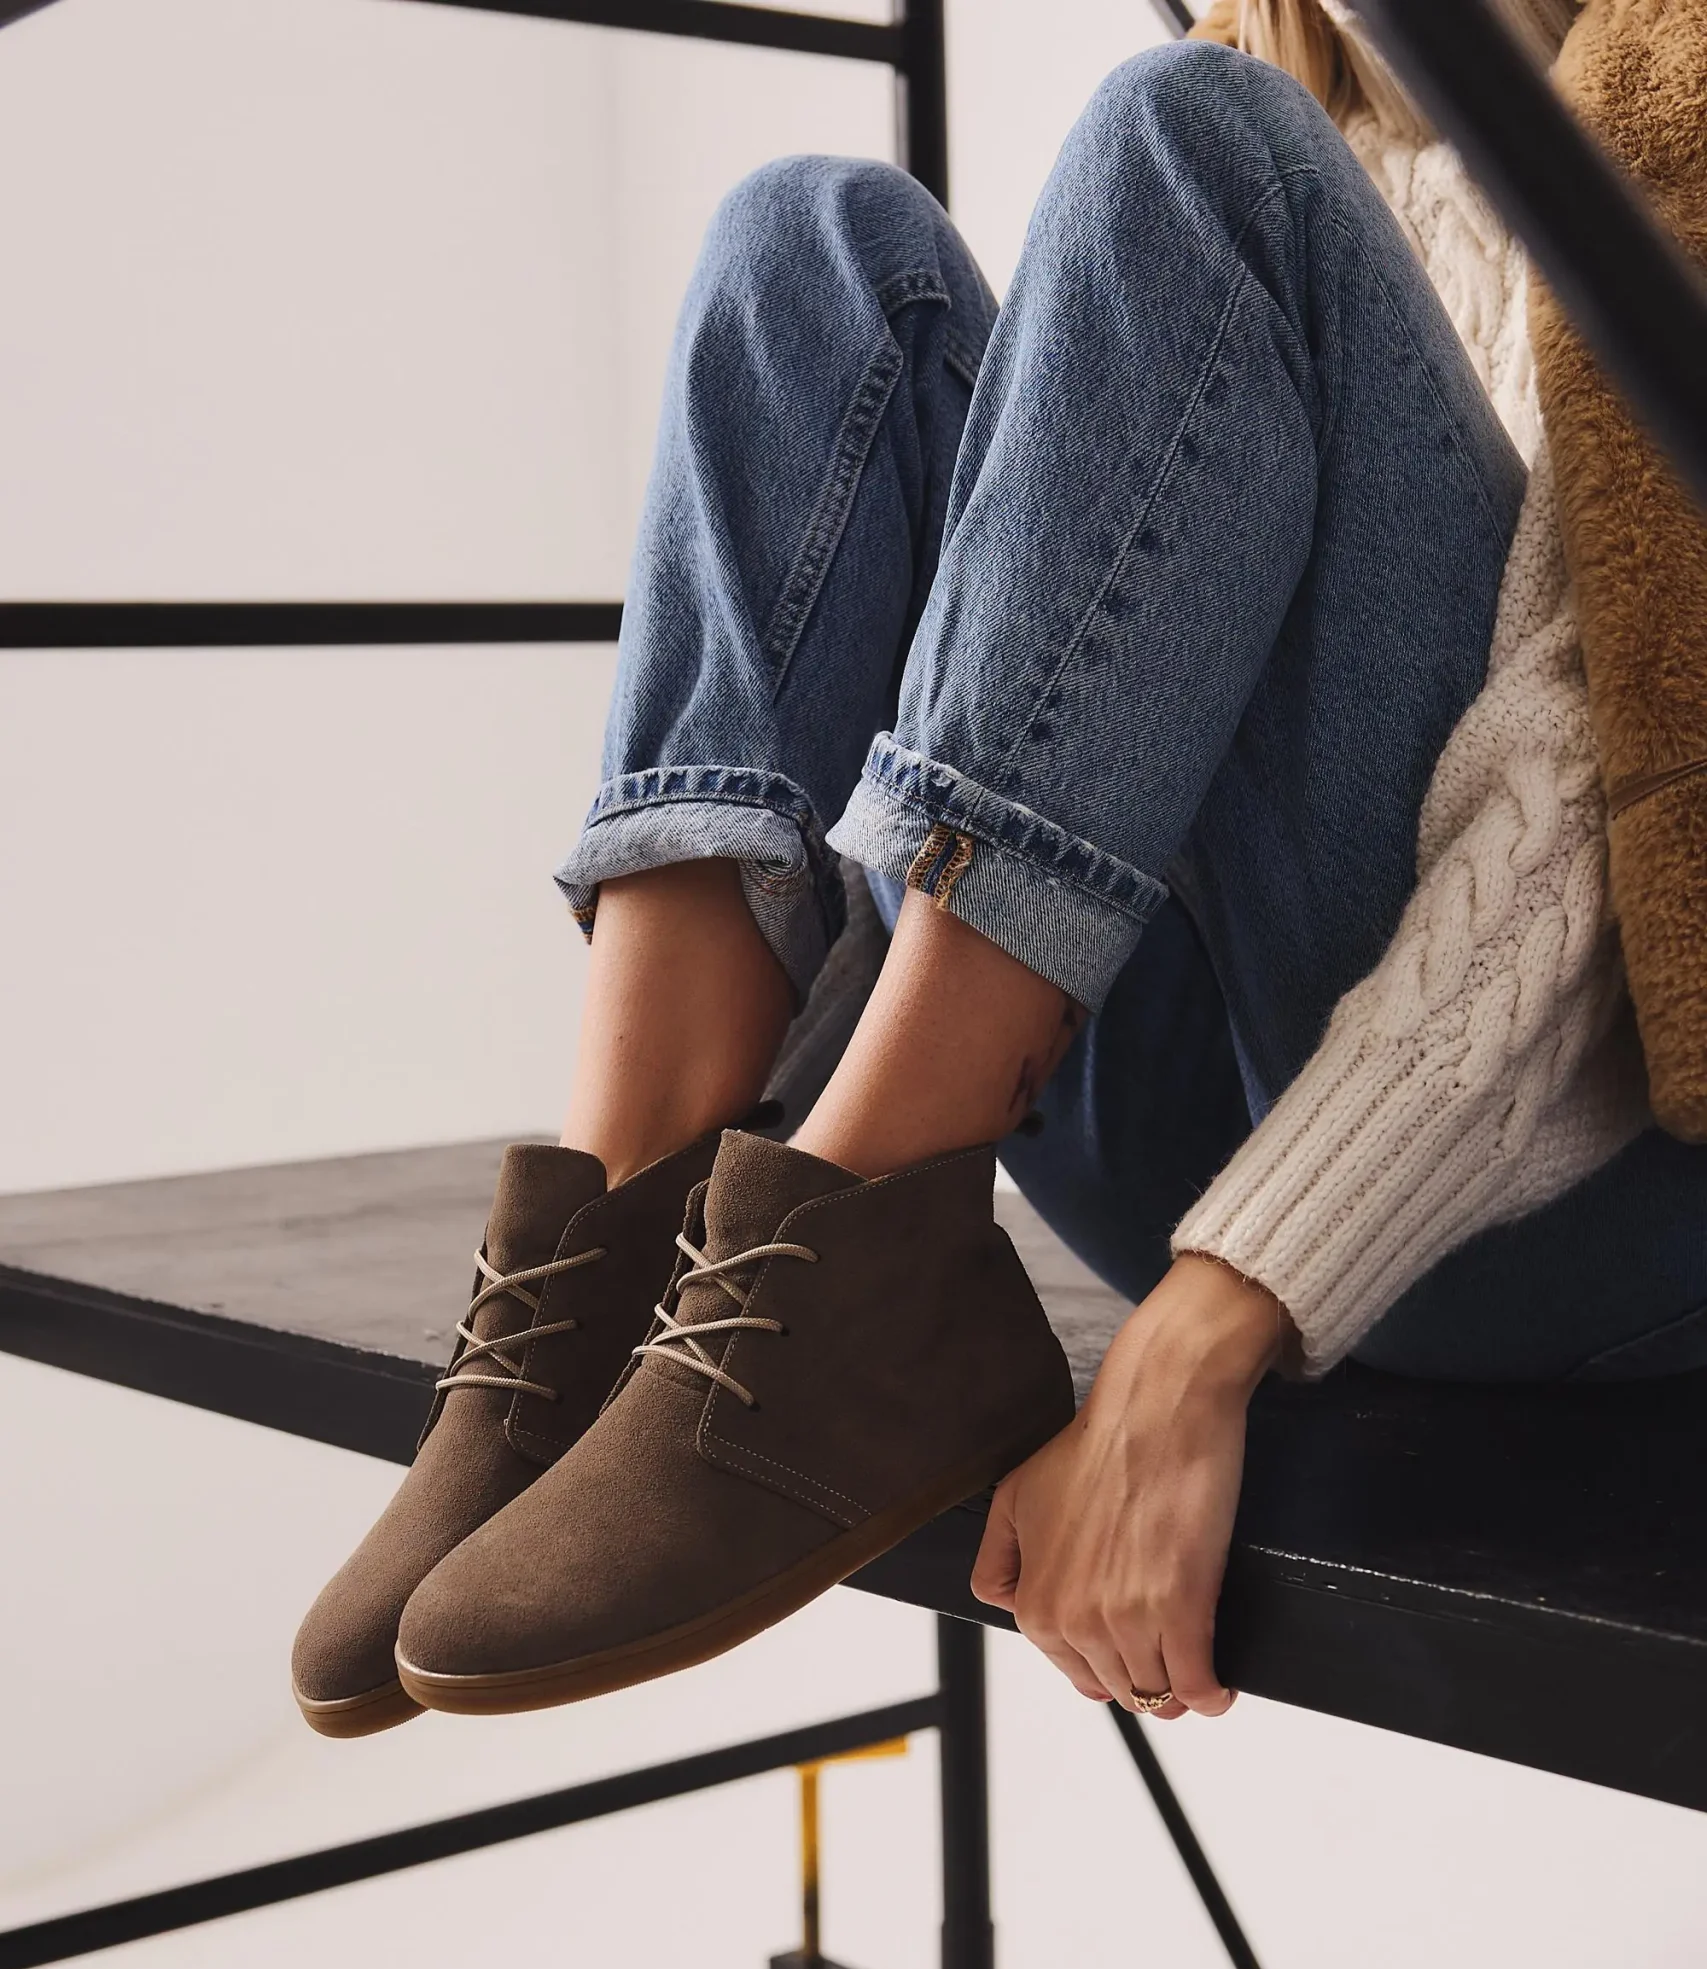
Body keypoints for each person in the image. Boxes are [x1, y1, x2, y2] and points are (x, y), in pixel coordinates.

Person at [292, 0, 1707, 1744]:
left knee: (1192, 137)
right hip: (1183, 1130)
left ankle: (855, 1275)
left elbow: (1613, 837)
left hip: (1572, 1214)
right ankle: (616, 1240)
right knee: (811, 241)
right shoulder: (1297, 115)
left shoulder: (1648, 107)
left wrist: (1203, 1333)